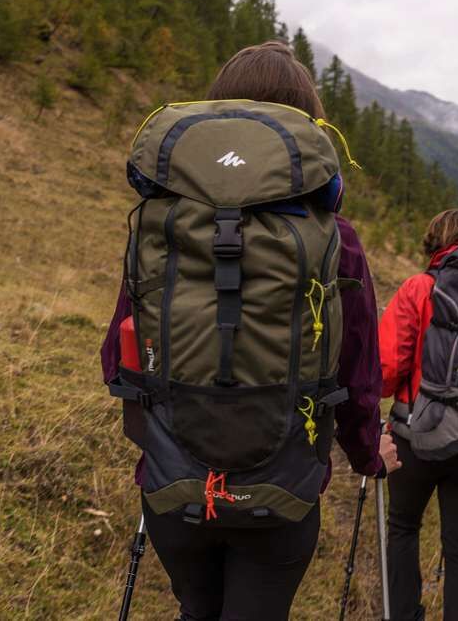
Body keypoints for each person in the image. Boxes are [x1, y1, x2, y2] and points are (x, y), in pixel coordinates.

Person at [101, 41, 400, 621]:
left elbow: (119, 358)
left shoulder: (162, 224)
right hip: (282, 492)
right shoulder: (336, 237)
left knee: (196, 610)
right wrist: (369, 454)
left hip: (173, 486)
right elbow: (358, 372)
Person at [379, 209, 458, 621]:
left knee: (403, 528)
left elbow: (387, 369)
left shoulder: (418, 288)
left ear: (434, 244)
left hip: (416, 436)